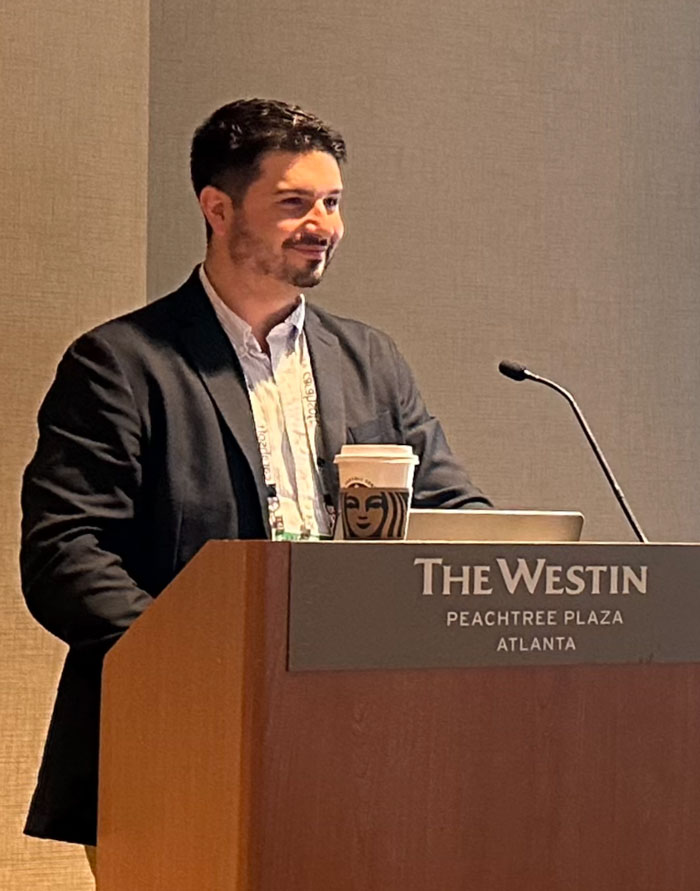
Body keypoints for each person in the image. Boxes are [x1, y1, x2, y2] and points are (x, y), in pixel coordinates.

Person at [20, 98, 490, 851]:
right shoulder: (121, 364)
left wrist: (504, 563)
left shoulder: (371, 360)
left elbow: (446, 506)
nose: (324, 225)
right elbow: (64, 552)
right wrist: (204, 663)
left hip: (356, 736)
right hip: (173, 740)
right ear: (218, 208)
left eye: (332, 202)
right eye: (294, 203)